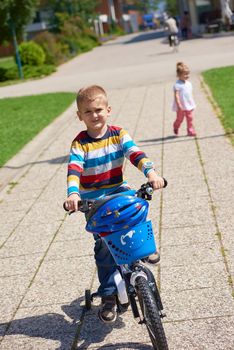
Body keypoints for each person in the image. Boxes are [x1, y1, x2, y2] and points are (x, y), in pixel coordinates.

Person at [65, 85, 165, 323]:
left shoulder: (119, 134)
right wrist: (73, 194)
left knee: (137, 204)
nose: (94, 115)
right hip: (93, 200)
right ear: (80, 116)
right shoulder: (80, 144)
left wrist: (150, 173)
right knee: (104, 247)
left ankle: (145, 248)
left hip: (118, 189)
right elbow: (74, 169)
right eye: (87, 111)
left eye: (98, 109)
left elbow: (135, 154)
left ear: (108, 110)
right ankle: (109, 295)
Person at [173, 62, 196, 136]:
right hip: (181, 106)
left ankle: (190, 131)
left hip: (188, 104)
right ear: (179, 75)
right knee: (180, 119)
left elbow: (189, 94)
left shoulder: (188, 83)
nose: (187, 76)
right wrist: (179, 105)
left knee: (190, 118)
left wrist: (191, 102)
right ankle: (176, 126)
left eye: (188, 74)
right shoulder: (177, 85)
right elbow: (176, 95)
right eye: (185, 74)